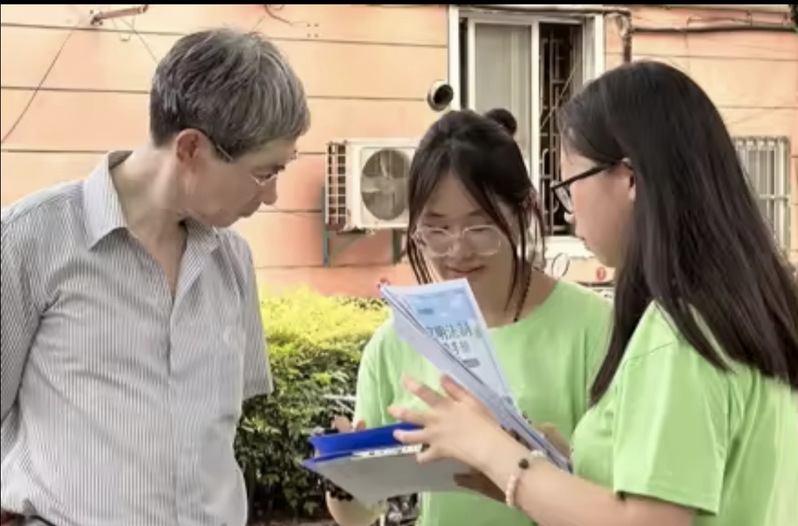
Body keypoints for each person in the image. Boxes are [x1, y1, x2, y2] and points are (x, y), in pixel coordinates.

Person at [389, 60, 798, 526]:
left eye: (570, 186)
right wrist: (550, 465)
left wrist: (491, 449)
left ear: (629, 178)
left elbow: (647, 521)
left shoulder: (678, 335)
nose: (570, 212)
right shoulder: (746, 313)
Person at [0, 28, 309, 526]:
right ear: (190, 148)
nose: (272, 195)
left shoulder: (232, 260)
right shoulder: (28, 240)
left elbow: (218, 438)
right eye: (264, 172)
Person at [326, 108, 613, 526]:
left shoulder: (596, 328)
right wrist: (345, 477)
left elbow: (627, 502)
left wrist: (535, 457)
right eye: (437, 230)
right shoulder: (396, 341)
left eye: (480, 228)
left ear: (523, 212)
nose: (457, 251)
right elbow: (357, 516)